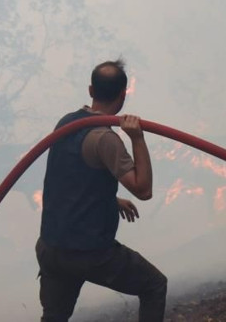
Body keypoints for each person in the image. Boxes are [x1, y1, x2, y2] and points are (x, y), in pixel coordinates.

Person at [36, 59, 167, 322]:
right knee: (154, 285)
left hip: (51, 248)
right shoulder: (105, 138)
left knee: (54, 317)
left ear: (91, 91)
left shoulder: (66, 122)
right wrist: (137, 138)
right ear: (123, 95)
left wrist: (112, 199)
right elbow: (143, 189)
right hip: (89, 253)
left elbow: (72, 177)